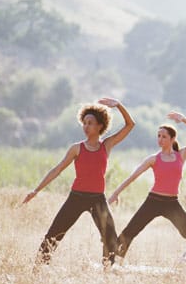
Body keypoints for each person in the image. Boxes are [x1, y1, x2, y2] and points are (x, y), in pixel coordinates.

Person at [23, 97, 135, 269]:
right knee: (53, 235)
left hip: (98, 199)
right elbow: (57, 169)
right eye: (84, 122)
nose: (86, 126)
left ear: (100, 126)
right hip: (76, 197)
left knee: (110, 238)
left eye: (90, 123)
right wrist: (36, 190)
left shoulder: (107, 145)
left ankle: (108, 271)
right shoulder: (77, 148)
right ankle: (37, 270)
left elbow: (130, 125)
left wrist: (119, 105)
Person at [108, 111, 186, 264]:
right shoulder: (153, 159)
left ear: (172, 139)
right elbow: (132, 177)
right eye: (158, 136)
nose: (160, 139)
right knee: (129, 232)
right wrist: (116, 193)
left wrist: (183, 119)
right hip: (153, 201)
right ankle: (110, 263)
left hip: (172, 203)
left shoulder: (181, 155)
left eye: (164, 136)